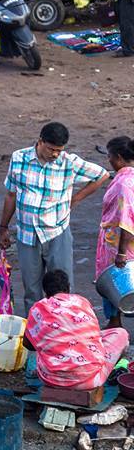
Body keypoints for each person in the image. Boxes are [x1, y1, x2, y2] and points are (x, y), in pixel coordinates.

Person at [0, 122, 110, 313]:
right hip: (26, 234)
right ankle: (35, 332)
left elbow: (102, 174)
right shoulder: (19, 158)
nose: (55, 154)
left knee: (62, 288)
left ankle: (64, 326)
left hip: (57, 232)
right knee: (32, 289)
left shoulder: (69, 162)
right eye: (52, 149)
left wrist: (74, 200)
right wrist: (3, 227)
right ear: (40, 141)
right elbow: (11, 194)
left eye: (59, 150)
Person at [24, 270, 129, 390]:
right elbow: (92, 335)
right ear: (68, 288)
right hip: (91, 380)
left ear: (45, 292)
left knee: (42, 345)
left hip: (51, 379)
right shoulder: (82, 301)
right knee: (122, 334)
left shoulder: (38, 308)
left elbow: (27, 344)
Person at [96, 137, 134, 328]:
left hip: (121, 245)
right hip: (119, 242)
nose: (108, 160)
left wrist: (121, 252)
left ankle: (115, 322)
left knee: (120, 283)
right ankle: (114, 321)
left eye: (110, 156)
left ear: (118, 157)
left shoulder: (124, 184)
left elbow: (127, 221)